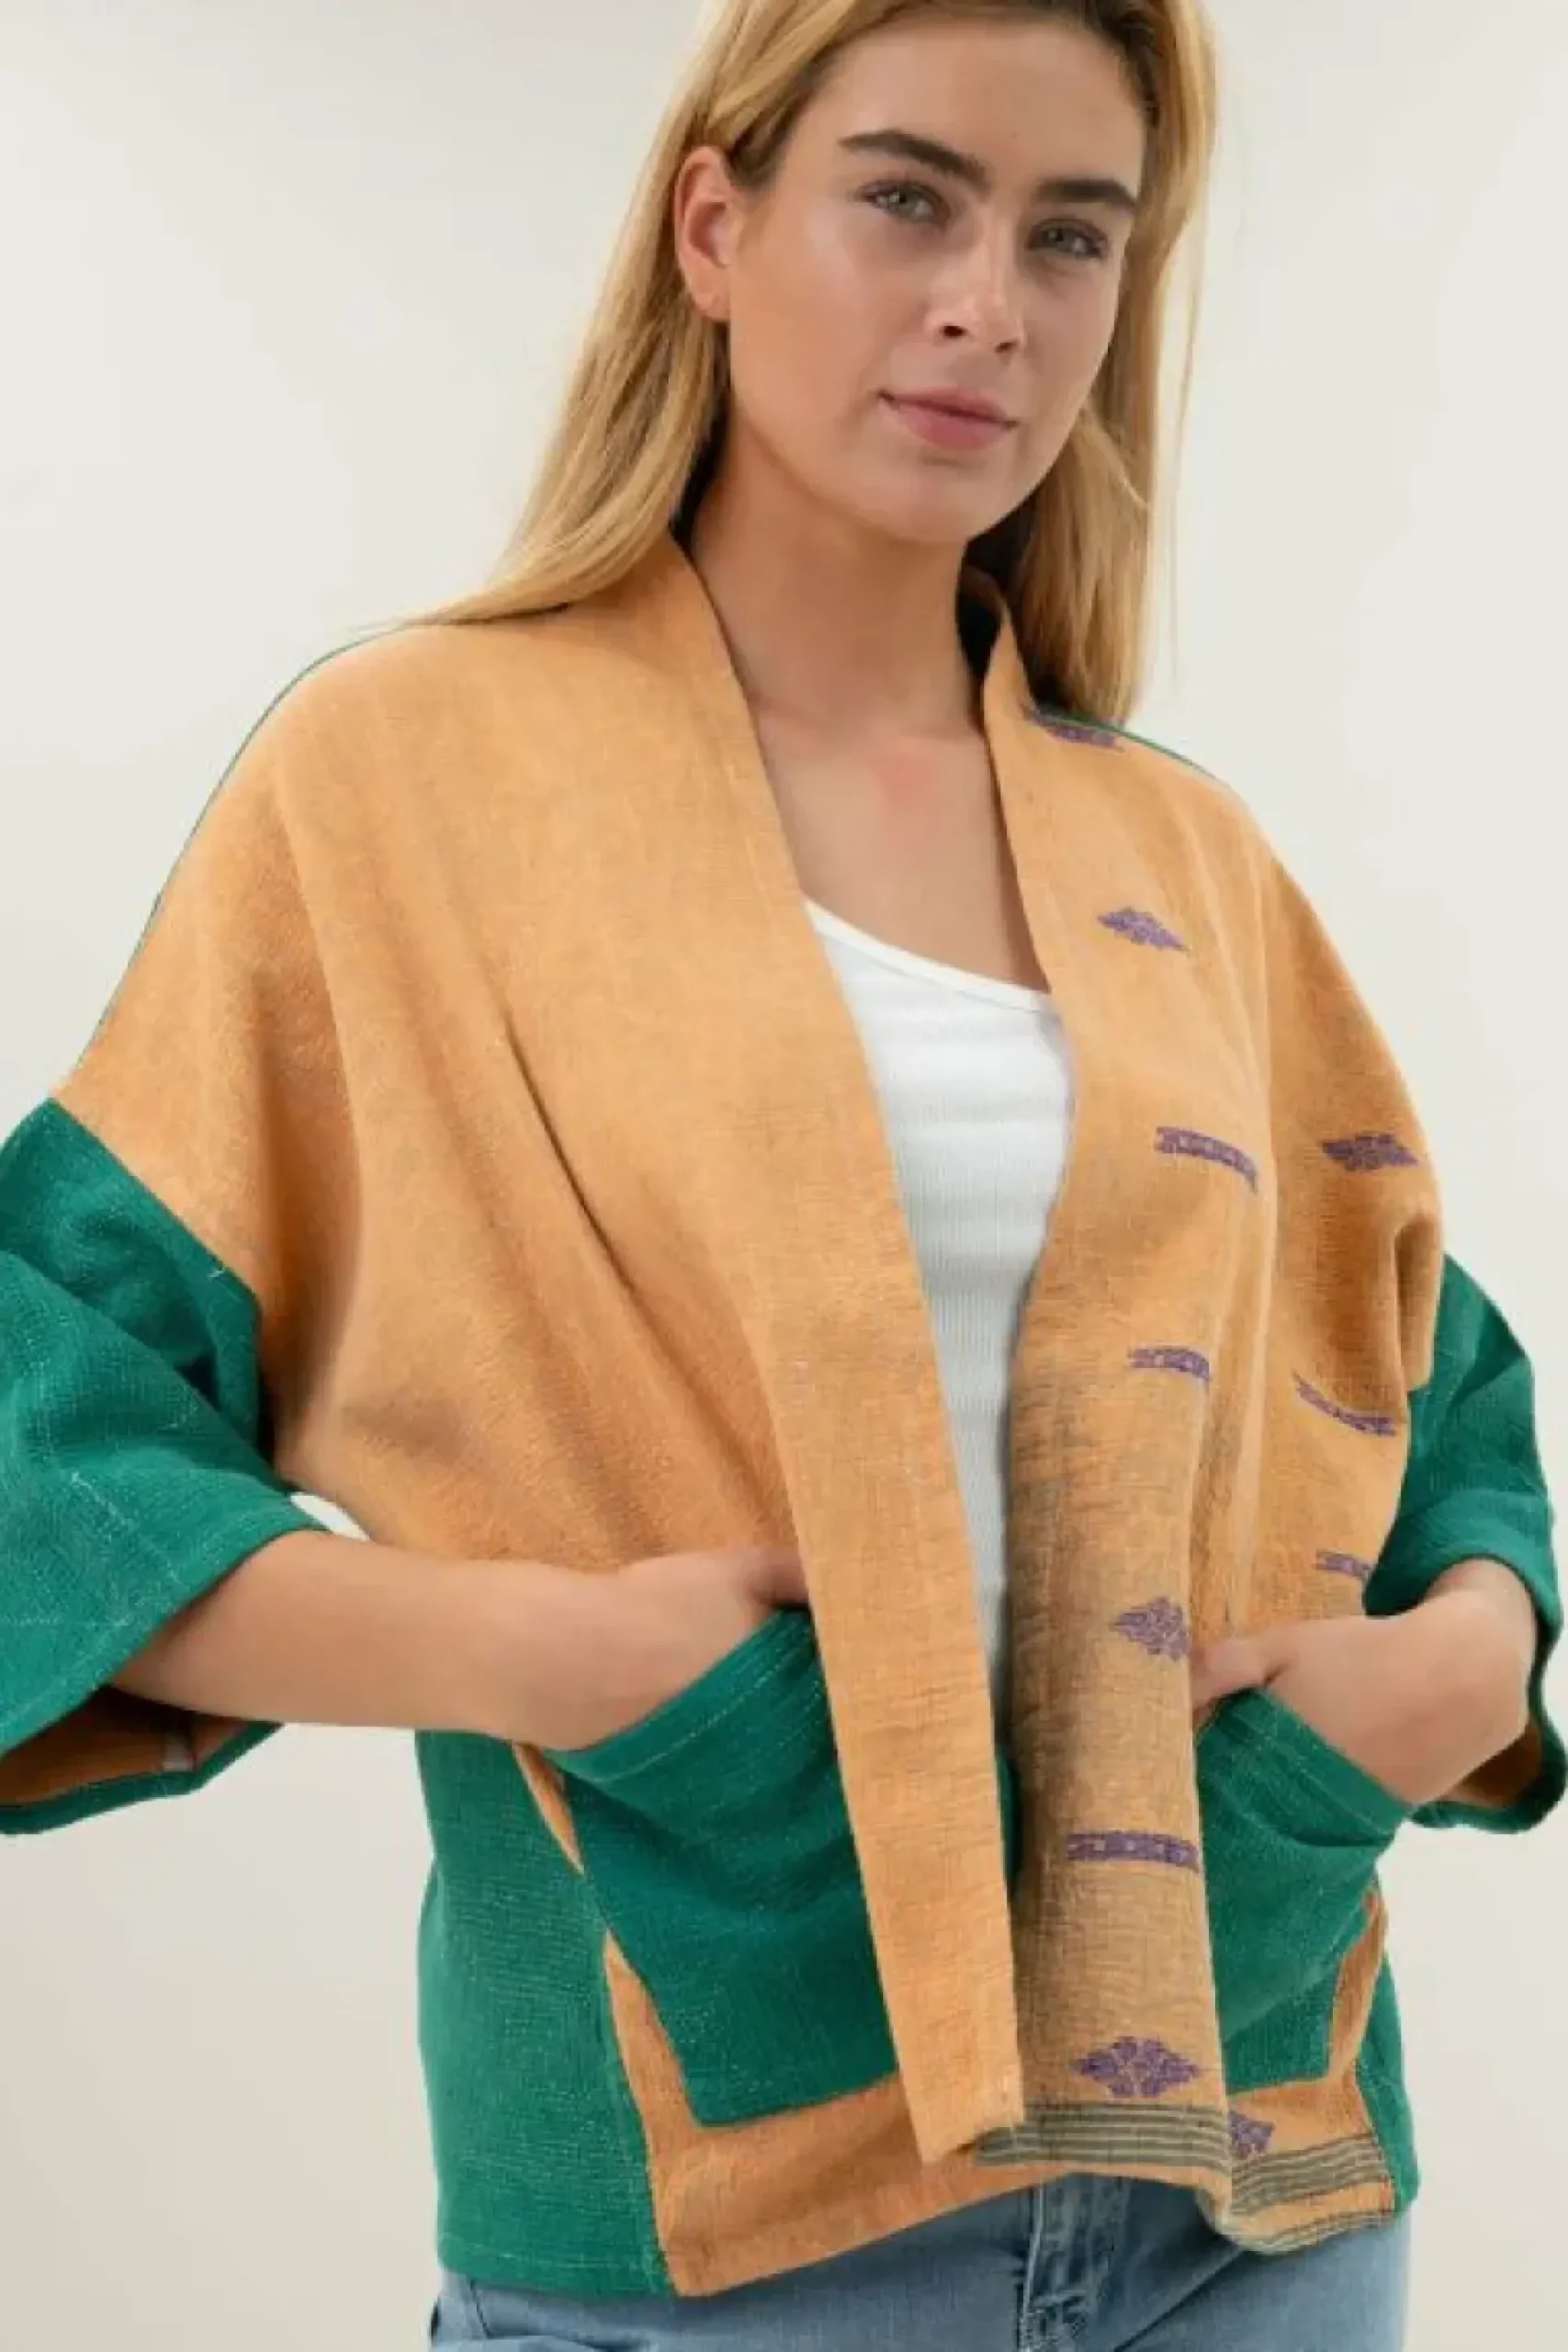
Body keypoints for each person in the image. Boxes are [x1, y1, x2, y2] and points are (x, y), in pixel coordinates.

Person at [1, 3, 1561, 2346]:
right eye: (907, 199)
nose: (987, 306)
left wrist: (1464, 1653)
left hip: (1257, 2188)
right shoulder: (405, 785)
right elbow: (39, 1412)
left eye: (1071, 236)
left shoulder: (1180, 851)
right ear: (713, 227)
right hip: (705, 2213)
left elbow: (1425, 1379)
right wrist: (539, 1648)